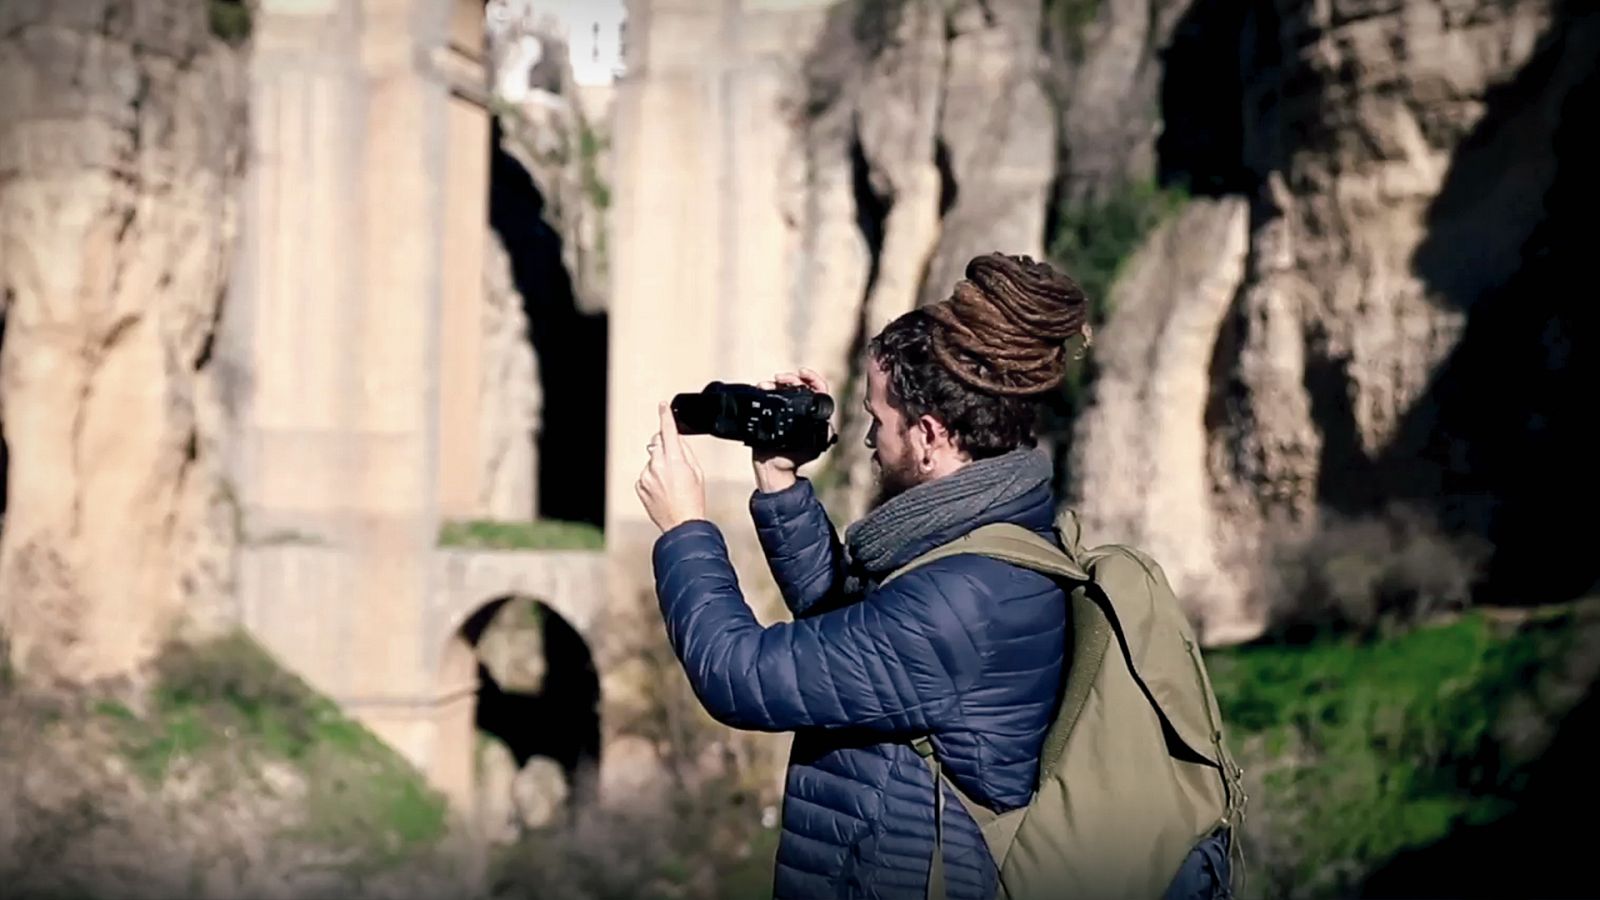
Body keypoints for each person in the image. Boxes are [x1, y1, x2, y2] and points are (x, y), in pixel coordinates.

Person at [635, 253, 1227, 900]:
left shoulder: (962, 600)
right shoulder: (989, 540)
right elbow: (851, 640)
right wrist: (781, 482)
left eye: (877, 421)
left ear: (928, 435)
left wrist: (684, 530)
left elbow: (740, 675)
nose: (866, 439)